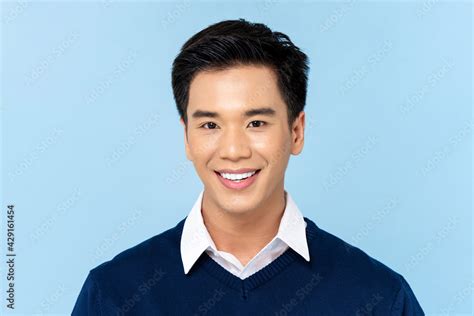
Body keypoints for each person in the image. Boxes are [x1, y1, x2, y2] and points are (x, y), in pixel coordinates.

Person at [72, 18, 424, 315]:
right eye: (210, 125)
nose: (234, 150)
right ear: (187, 139)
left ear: (296, 132)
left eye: (256, 123)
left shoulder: (378, 297)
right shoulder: (113, 295)